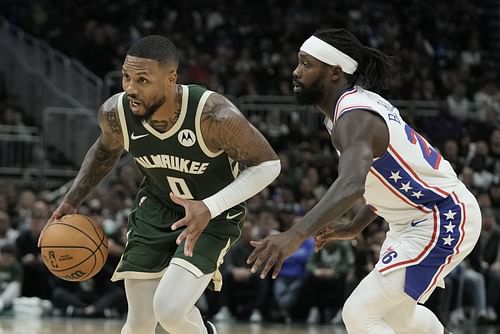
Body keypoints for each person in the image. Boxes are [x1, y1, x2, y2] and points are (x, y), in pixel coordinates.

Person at [40, 35, 280, 334]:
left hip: (211, 217)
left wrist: (209, 206)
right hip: (155, 210)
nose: (130, 88)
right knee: (139, 322)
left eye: (142, 80)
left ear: (170, 79)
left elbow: (269, 164)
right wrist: (72, 200)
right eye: (126, 77)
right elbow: (104, 151)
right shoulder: (117, 114)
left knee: (168, 310)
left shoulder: (212, 115)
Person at [247, 28, 481, 334]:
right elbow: (385, 177)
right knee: (399, 317)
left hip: (441, 217)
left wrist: (296, 234)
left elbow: (351, 184)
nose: (295, 72)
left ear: (333, 72)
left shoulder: (354, 119)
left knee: (359, 314)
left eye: (306, 64)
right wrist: (355, 226)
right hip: (413, 221)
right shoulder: (350, 109)